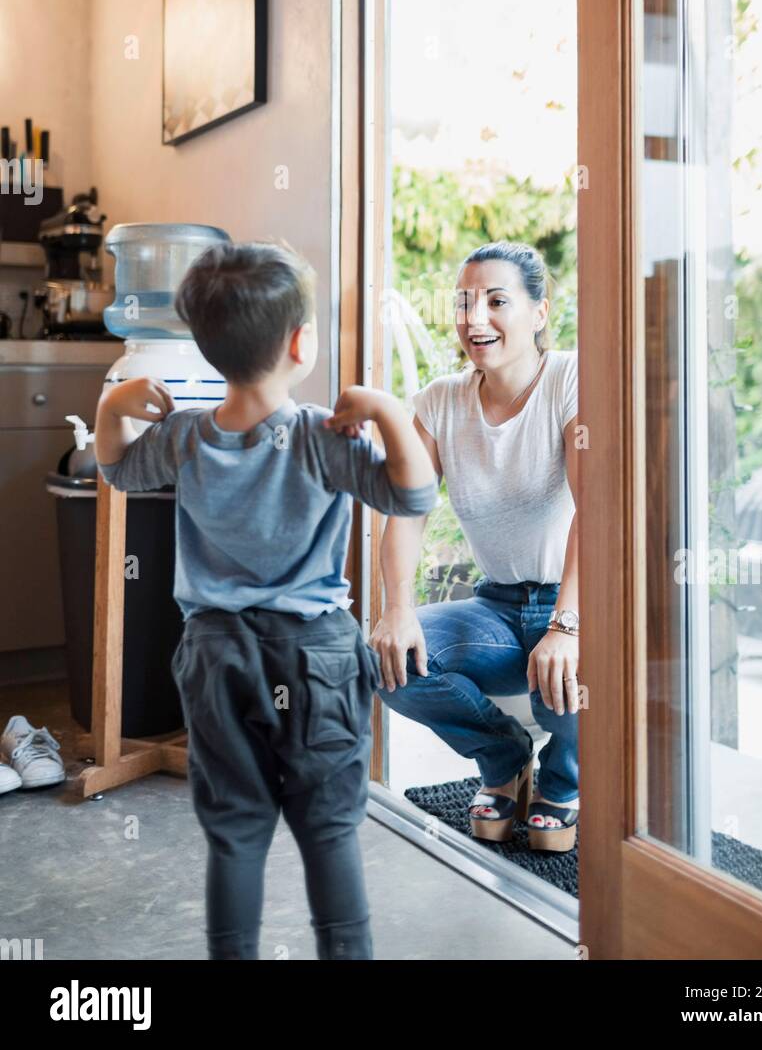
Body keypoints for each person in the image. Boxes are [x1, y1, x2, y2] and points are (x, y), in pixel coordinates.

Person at [94, 240, 437, 960]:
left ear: (206, 345)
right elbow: (413, 493)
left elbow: (118, 471)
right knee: (330, 832)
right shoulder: (323, 436)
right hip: (316, 658)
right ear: (300, 343)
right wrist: (386, 410)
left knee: (237, 833)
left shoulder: (184, 435)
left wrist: (113, 406)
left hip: (216, 658)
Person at [372, 241, 579, 852]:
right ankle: (505, 757)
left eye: (496, 301)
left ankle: (565, 780)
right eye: (464, 303)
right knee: (390, 663)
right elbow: (406, 513)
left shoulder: (569, 379)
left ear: (539, 313)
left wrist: (568, 626)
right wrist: (397, 609)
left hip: (573, 603)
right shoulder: (440, 401)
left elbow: (595, 513)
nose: (474, 319)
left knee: (573, 677)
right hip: (496, 608)